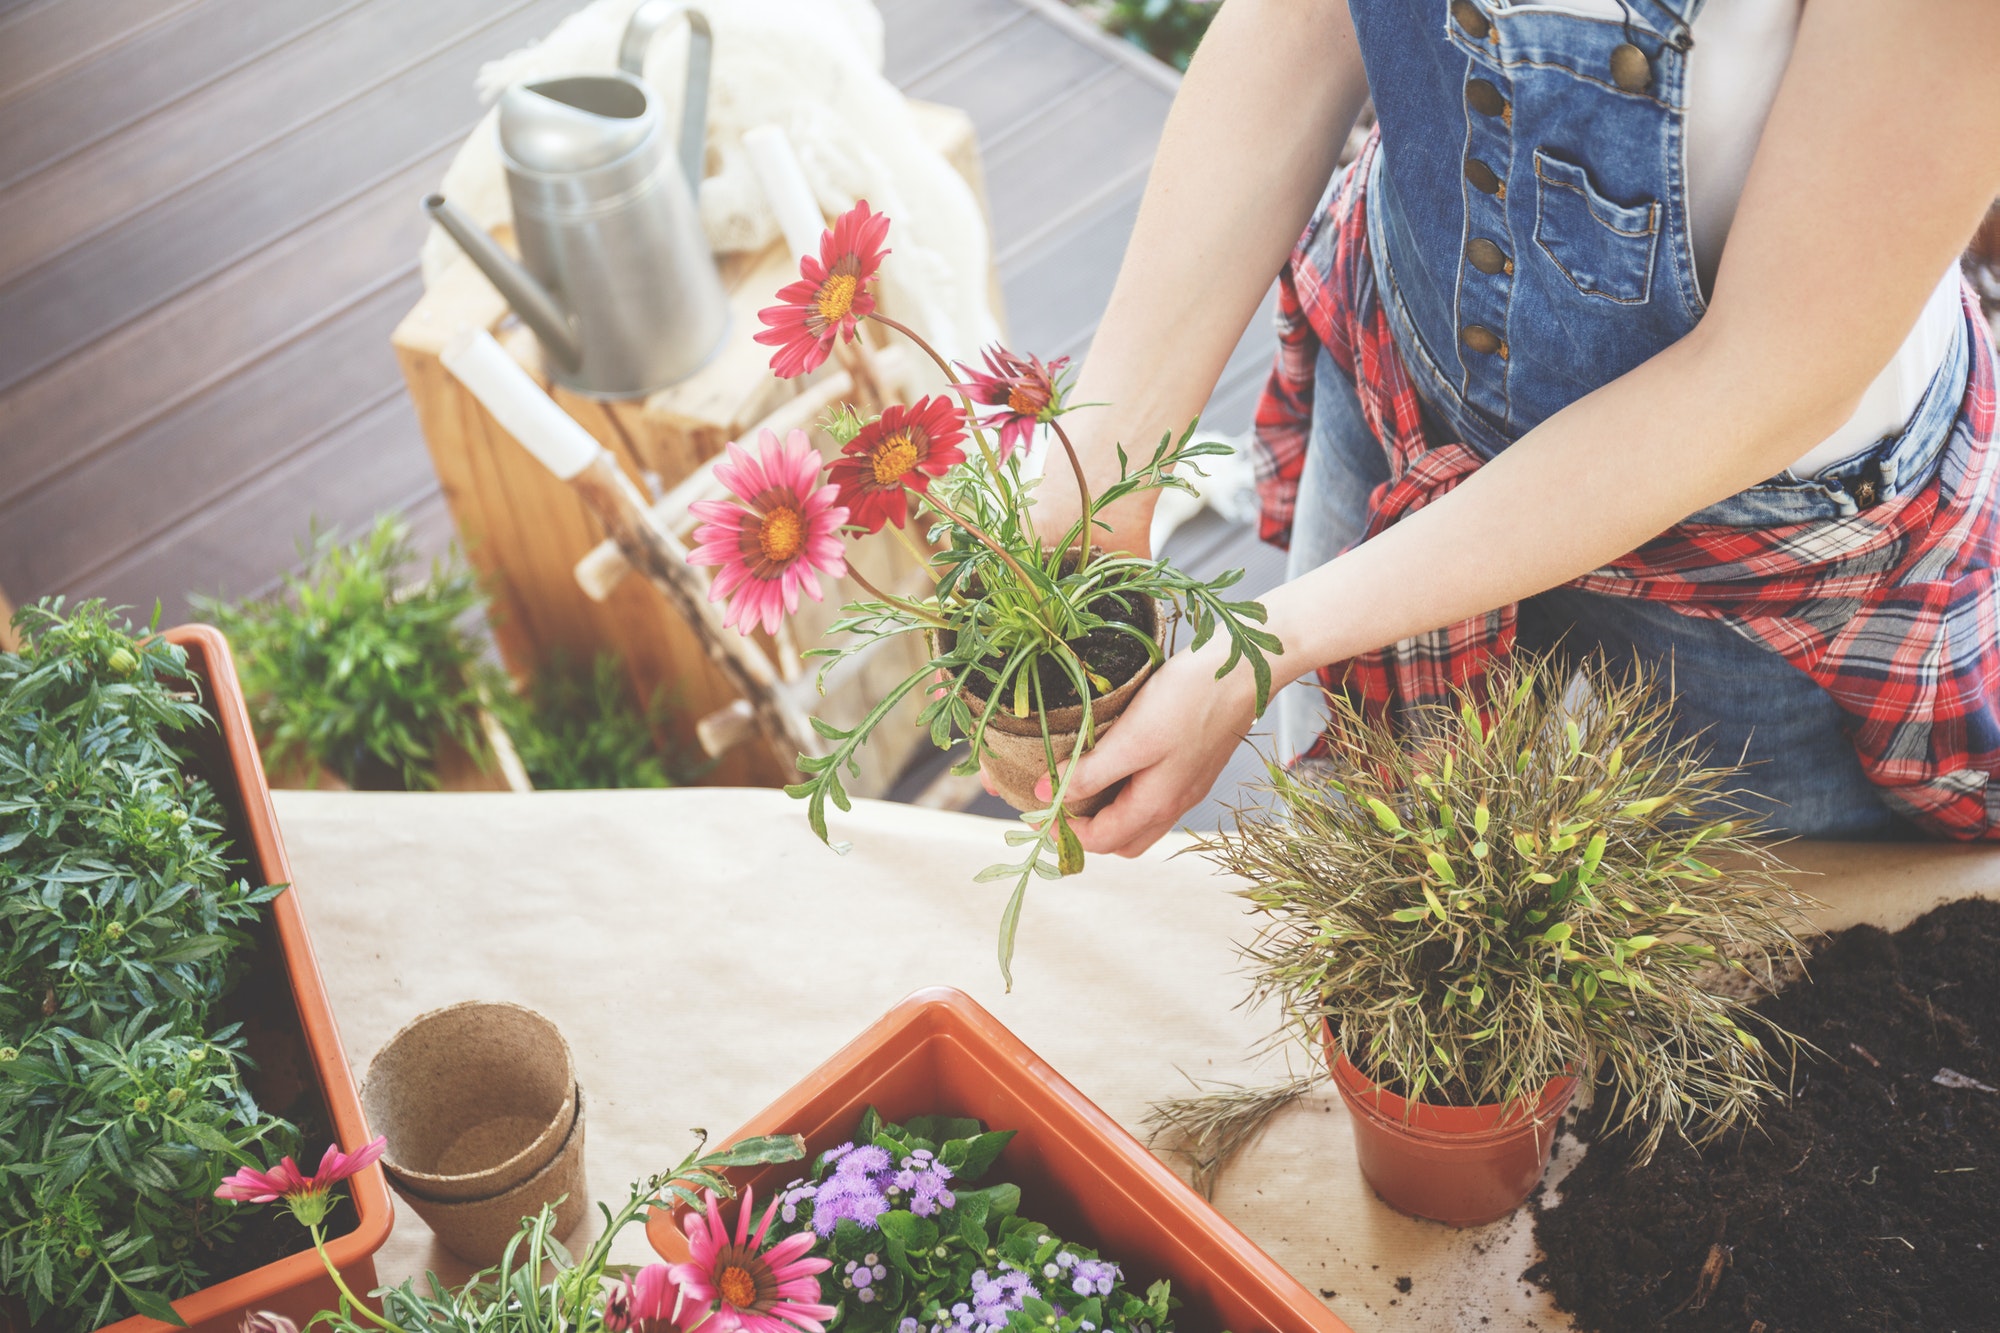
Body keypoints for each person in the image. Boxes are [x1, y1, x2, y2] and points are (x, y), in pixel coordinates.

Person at [1018, 0, 2000, 853]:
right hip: (1415, 397)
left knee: (1733, 1004)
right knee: (1381, 946)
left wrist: (1267, 645)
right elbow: (1303, 17)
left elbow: (1763, 376)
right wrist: (1097, 476)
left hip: (1755, 550)